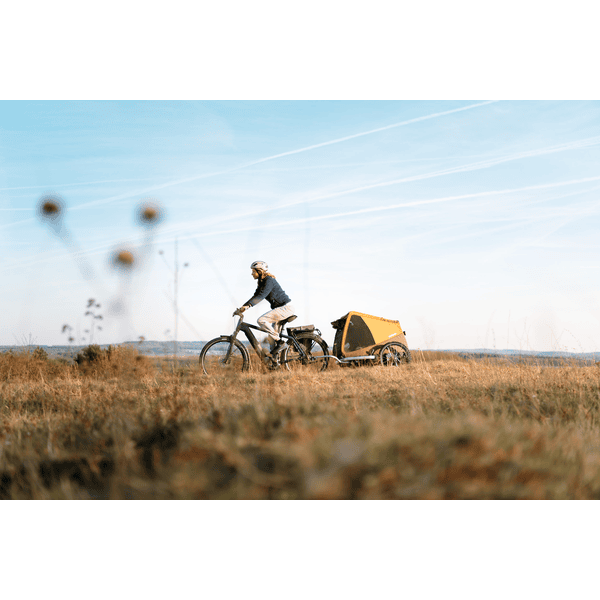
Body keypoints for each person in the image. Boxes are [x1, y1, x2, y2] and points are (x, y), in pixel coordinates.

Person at [234, 261, 295, 356]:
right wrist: (243, 307)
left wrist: (248, 306)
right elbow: (255, 296)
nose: (251, 273)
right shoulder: (262, 282)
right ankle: (275, 363)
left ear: (260, 271)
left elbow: (262, 295)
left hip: (285, 308)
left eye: (253, 271)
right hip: (280, 308)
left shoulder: (268, 280)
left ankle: (280, 342)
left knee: (262, 320)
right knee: (271, 338)